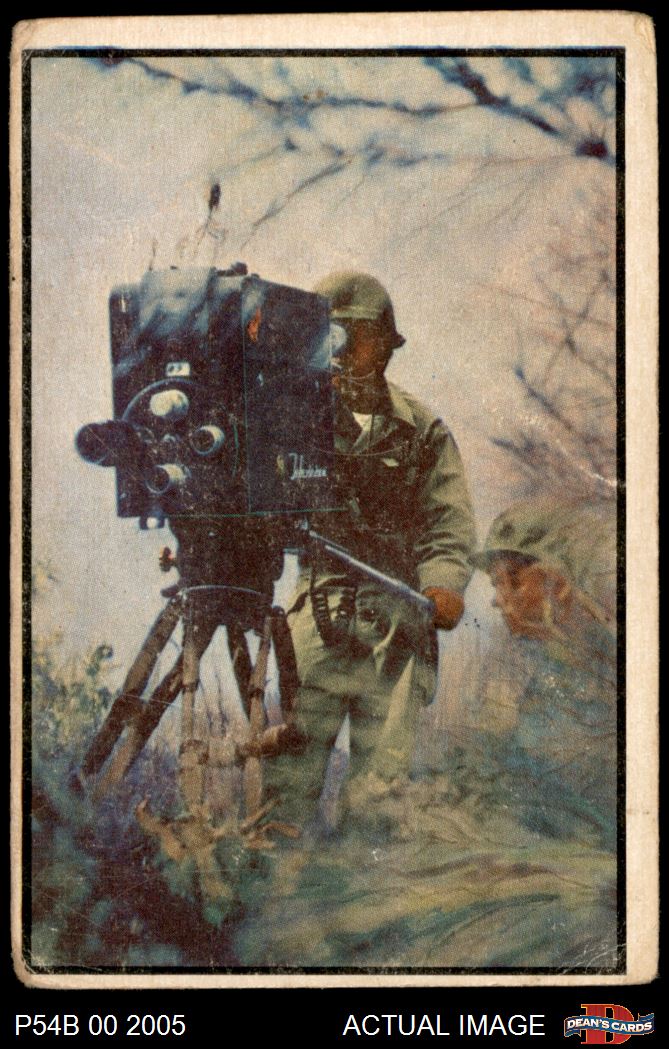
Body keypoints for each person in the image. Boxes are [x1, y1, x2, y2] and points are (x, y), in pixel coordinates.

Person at [266, 271, 476, 829]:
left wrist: (444, 583)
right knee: (286, 785)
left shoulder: (422, 430)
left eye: (354, 335)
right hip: (318, 617)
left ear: (384, 344)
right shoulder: (290, 422)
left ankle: (362, 877)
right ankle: (276, 878)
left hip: (398, 623)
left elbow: (448, 522)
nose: (341, 350)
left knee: (379, 795)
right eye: (328, 335)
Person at [470, 499, 617, 847]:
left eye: (511, 581)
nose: (498, 600)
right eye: (496, 585)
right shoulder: (556, 660)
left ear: (558, 584)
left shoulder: (602, 669)